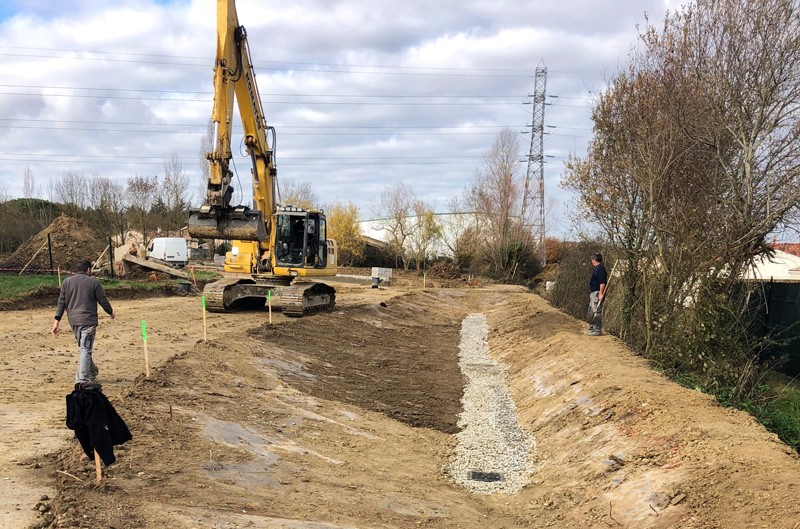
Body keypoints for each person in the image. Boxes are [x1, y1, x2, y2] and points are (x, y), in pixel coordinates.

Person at [52, 260, 116, 384]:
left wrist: (56, 322)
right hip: (88, 322)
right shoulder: (94, 282)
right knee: (85, 350)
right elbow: (102, 300)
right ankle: (82, 381)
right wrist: (111, 312)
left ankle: (92, 372)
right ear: (88, 269)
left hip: (74, 322)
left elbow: (61, 303)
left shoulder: (66, 282)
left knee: (84, 348)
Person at [587, 252, 607, 336]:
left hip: (598, 293)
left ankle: (597, 331)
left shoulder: (600, 269)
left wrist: (600, 293)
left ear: (594, 260)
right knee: (591, 311)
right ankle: (591, 329)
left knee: (596, 311)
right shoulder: (596, 268)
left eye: (592, 259)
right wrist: (592, 293)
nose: (591, 261)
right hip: (594, 293)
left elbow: (602, 282)